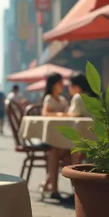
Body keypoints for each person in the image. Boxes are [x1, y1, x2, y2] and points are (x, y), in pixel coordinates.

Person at [41, 73, 71, 202]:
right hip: (48, 138)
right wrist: (60, 114)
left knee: (65, 151)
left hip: (62, 139)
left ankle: (48, 183)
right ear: (54, 84)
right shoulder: (49, 98)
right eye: (60, 83)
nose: (62, 86)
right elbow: (45, 113)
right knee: (55, 151)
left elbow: (69, 113)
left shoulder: (62, 99)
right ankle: (54, 189)